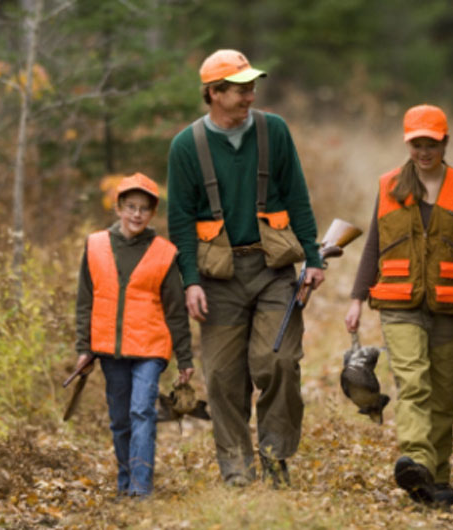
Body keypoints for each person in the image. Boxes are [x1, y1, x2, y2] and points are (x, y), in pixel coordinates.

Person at [167, 49, 324, 488]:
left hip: (273, 268)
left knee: (278, 362)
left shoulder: (274, 131)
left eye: (252, 86)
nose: (250, 95)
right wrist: (190, 282)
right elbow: (179, 220)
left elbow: (297, 196)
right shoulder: (186, 145)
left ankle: (275, 457)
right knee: (221, 376)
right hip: (217, 277)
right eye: (240, 89)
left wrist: (312, 258)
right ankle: (236, 468)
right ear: (214, 93)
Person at [344, 104, 453, 506]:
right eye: (416, 144)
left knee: (444, 395)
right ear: (407, 144)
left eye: (431, 144)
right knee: (413, 384)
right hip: (399, 302)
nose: (424, 152)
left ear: (445, 142)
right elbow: (374, 242)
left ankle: (437, 481)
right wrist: (357, 298)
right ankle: (416, 460)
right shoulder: (390, 185)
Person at [73, 172, 194, 498]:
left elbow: (175, 309)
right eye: (131, 207)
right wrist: (83, 348)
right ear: (118, 208)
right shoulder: (95, 245)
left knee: (142, 410)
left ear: (152, 213)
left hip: (150, 348)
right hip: (109, 350)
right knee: (120, 419)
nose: (137, 214)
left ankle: (141, 488)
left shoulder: (164, 253)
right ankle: (125, 482)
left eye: (143, 208)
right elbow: (85, 300)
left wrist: (185, 356)